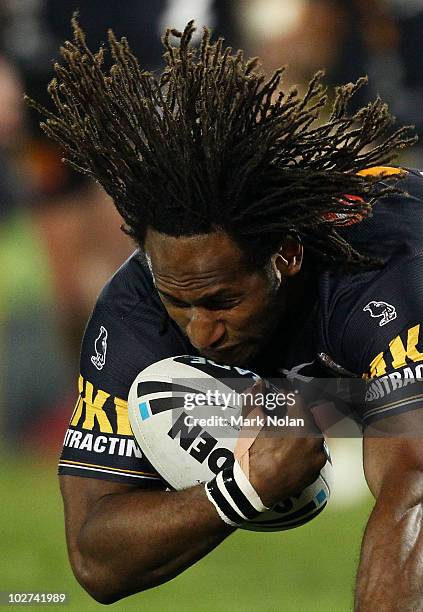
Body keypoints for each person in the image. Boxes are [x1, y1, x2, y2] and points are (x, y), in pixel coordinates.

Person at [28, 19, 423, 608]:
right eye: (177, 300)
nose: (201, 331)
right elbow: (94, 558)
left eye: (222, 300)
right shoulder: (136, 309)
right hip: (332, 377)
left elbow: (412, 486)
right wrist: (242, 487)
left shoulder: (380, 273)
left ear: (285, 255)